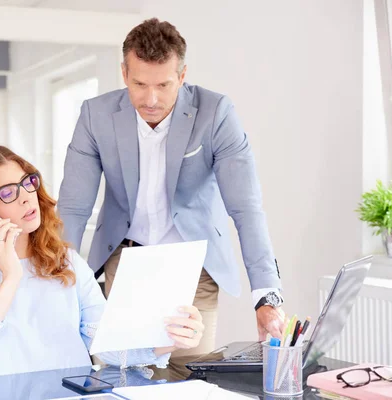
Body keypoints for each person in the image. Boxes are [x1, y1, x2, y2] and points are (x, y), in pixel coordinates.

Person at [58, 18, 286, 367]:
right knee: (123, 372)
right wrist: (59, 285)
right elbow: (74, 208)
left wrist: (267, 297)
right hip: (125, 260)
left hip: (194, 268)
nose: (151, 99)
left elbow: (246, 208)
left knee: (187, 375)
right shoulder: (96, 115)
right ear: (124, 74)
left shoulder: (216, 114)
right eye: (139, 84)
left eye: (164, 85)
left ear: (182, 76)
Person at [0, 145, 205, 384]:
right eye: (8, 192)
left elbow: (109, 344)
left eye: (27, 183)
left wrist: (170, 338)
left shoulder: (65, 261)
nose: (25, 196)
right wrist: (10, 279)